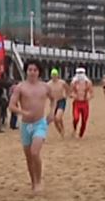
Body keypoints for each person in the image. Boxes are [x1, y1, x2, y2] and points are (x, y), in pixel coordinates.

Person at [8, 60, 52, 193]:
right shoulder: (20, 87)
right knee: (28, 157)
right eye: (30, 70)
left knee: (35, 152)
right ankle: (33, 181)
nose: (32, 72)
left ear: (39, 72)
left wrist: (52, 112)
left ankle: (38, 181)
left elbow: (54, 99)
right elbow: (11, 106)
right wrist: (22, 112)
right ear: (26, 71)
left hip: (40, 123)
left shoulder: (45, 87)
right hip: (26, 125)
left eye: (35, 70)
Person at [70, 67, 94, 138]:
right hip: (77, 103)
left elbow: (92, 93)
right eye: (79, 73)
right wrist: (73, 96)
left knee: (84, 120)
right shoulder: (74, 83)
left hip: (85, 103)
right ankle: (74, 128)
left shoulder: (88, 83)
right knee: (76, 118)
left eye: (81, 73)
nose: (80, 75)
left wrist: (88, 97)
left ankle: (81, 134)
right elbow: (70, 92)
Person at [47, 68, 70, 139]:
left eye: (55, 75)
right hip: (53, 103)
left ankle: (62, 128)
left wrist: (66, 95)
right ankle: (61, 131)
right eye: (53, 75)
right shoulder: (48, 84)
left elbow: (68, 89)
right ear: (51, 75)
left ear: (57, 75)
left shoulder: (62, 82)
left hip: (61, 101)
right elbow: (46, 93)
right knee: (55, 121)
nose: (54, 76)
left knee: (58, 117)